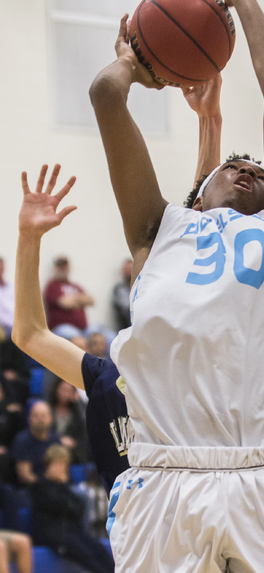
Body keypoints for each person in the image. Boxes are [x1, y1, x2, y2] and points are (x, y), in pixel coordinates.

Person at [88, 0, 264, 573]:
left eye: (260, 168)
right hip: (162, 479)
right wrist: (136, 62)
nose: (250, 168)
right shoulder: (156, 230)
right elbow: (105, 97)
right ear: (199, 194)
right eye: (234, 165)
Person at [12, 71, 224, 495]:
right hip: (139, 525)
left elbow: (202, 217)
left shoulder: (195, 360)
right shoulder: (108, 378)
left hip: (208, 503)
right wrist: (28, 238)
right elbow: (29, 333)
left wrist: (210, 120)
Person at [30, 444, 114, 573]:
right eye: (57, 464)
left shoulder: (64, 486)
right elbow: (60, 506)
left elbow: (79, 507)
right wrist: (63, 487)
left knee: (100, 550)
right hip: (55, 536)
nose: (61, 468)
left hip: (73, 531)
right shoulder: (40, 487)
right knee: (89, 557)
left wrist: (63, 488)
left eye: (63, 464)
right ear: (48, 465)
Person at [9, 400, 60, 487]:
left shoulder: (55, 440)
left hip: (54, 487)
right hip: (31, 490)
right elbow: (25, 476)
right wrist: (46, 484)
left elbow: (61, 470)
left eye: (43, 416)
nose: (40, 419)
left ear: (51, 418)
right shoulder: (22, 440)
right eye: (36, 416)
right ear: (29, 419)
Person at [111, 259, 133, 332]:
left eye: (131, 269)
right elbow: (127, 309)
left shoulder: (142, 287)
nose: (129, 273)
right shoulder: (119, 289)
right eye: (126, 270)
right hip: (126, 328)